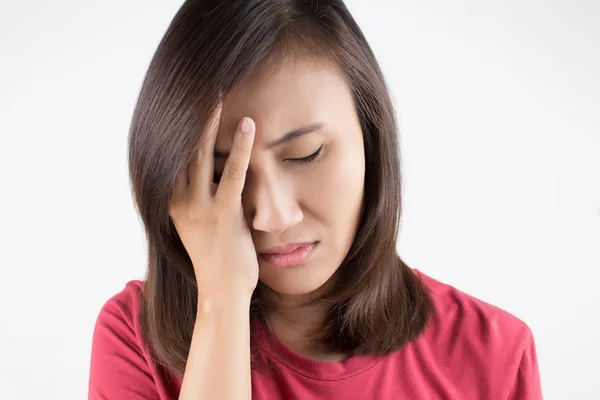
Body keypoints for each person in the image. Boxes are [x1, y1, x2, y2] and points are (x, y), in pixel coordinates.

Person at [88, 0, 543, 399]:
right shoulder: (134, 339)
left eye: (306, 155)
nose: (273, 215)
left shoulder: (494, 355)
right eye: (223, 175)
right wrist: (221, 300)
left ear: (370, 135)